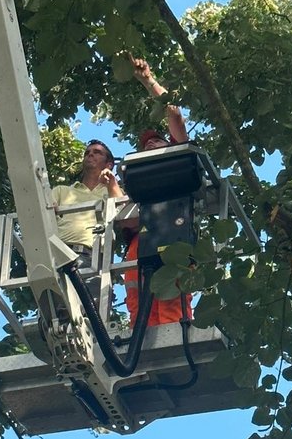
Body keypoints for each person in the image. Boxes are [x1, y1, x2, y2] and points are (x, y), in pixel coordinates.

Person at [123, 57, 193, 327]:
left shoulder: (177, 158)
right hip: (141, 241)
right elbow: (126, 219)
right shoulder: (136, 178)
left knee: (172, 298)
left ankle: (177, 338)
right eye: (146, 143)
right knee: (140, 308)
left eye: (157, 139)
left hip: (174, 231)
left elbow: (173, 114)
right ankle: (140, 346)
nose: (151, 143)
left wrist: (148, 80)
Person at [50, 139, 122, 312]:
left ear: (109, 164)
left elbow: (123, 212)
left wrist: (111, 183)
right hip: (58, 256)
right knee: (55, 318)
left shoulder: (111, 191)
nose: (90, 154)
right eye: (87, 152)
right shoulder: (62, 191)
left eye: (97, 152)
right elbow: (45, 213)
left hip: (93, 259)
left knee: (89, 319)